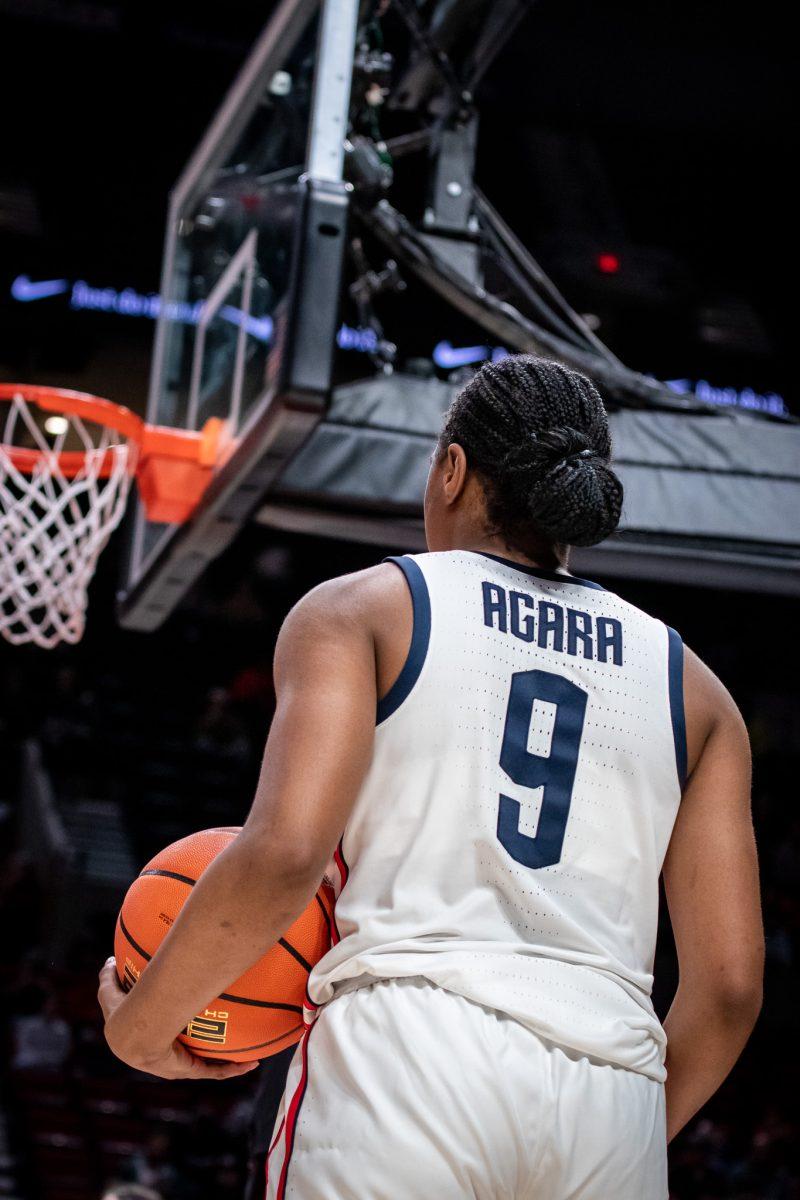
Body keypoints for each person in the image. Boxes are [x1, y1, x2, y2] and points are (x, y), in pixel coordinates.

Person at [99, 356, 763, 1199]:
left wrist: (141, 1035)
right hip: (612, 1086)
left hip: (408, 1054)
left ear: (451, 470)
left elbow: (286, 853)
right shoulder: (697, 691)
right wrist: (624, 1129)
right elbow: (731, 989)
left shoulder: (364, 608)